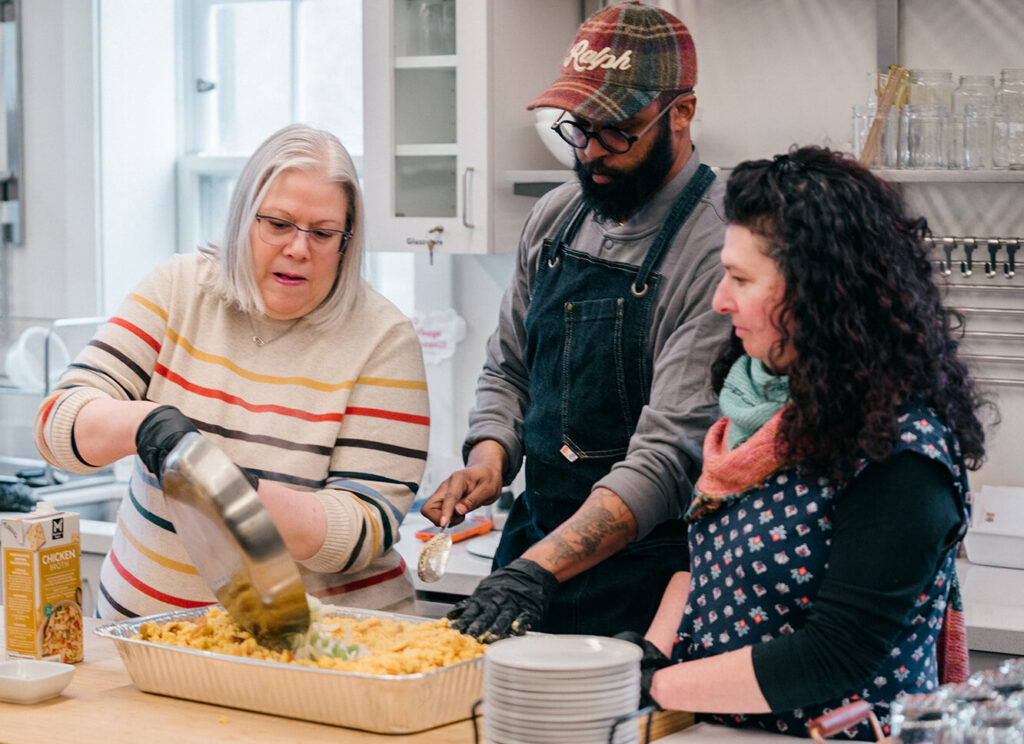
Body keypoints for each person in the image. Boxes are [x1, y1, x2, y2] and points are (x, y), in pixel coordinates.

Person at [622, 145, 991, 739]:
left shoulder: (899, 454)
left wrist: (659, 685)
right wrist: (649, 655)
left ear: (819, 295)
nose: (720, 300)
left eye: (741, 279)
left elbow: (834, 653)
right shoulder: (760, 406)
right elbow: (704, 568)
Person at [420, 1, 732, 639]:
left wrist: (535, 573)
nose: (590, 152)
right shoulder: (558, 216)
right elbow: (509, 368)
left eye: (616, 130)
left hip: (648, 574)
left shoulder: (718, 244)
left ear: (682, 112)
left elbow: (669, 458)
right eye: (578, 126)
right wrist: (491, 457)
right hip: (533, 540)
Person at [33, 124, 430, 619]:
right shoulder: (180, 290)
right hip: (146, 642)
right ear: (243, 216)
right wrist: (146, 426)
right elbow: (56, 426)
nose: (299, 248)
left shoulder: (382, 338)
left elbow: (359, 533)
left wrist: (225, 489)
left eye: (323, 233)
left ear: (346, 242)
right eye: (278, 224)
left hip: (315, 658)